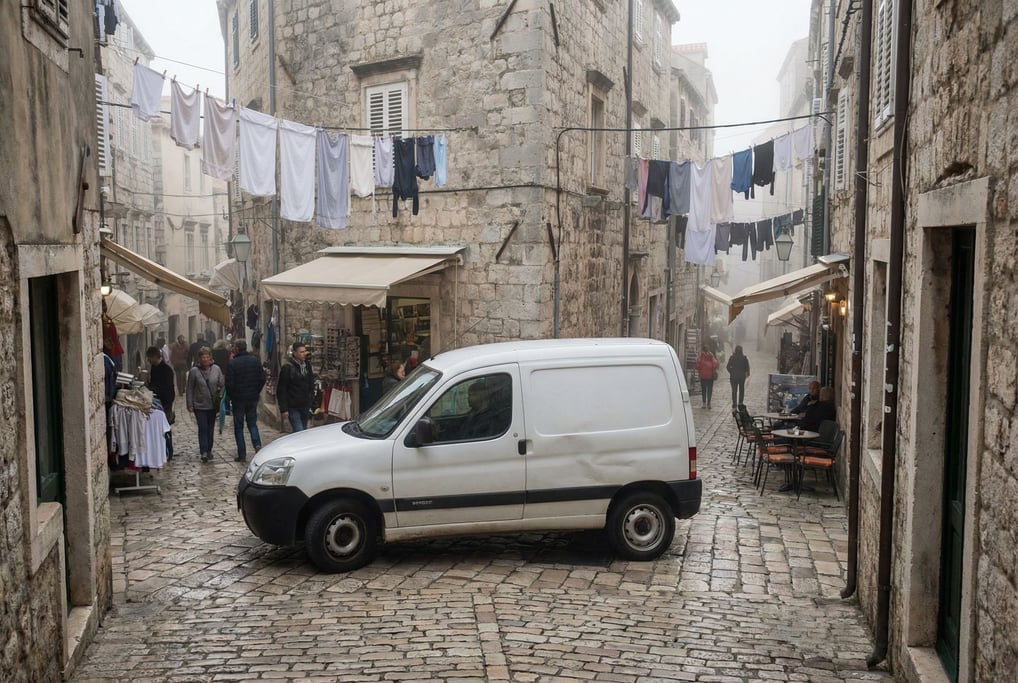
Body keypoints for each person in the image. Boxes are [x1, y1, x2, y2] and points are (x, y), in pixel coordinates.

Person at [225, 339, 265, 462]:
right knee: (252, 423)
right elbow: (262, 378)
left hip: (238, 399)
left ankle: (242, 454)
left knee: (239, 426)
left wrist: (231, 396)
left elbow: (229, 384)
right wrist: (256, 391)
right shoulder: (255, 361)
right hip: (252, 397)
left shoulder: (233, 364)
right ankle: (257, 445)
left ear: (237, 348)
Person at [186, 347, 224, 462]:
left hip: (213, 405)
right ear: (199, 358)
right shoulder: (194, 371)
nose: (205, 359)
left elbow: (222, 384)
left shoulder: (216, 369)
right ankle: (204, 451)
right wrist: (189, 403)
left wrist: (220, 397)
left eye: (207, 357)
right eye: (203, 357)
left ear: (210, 357)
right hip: (199, 405)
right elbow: (190, 388)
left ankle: (209, 449)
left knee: (210, 428)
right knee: (202, 428)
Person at [277, 342, 316, 432]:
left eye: (305, 351)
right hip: (293, 406)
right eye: (301, 352)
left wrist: (311, 399)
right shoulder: (287, 368)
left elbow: (311, 383)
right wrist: (284, 409)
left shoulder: (307, 366)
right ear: (294, 353)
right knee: (299, 430)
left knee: (303, 430)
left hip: (305, 405)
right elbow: (281, 389)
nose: (304, 354)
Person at [145, 346, 175, 460]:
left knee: (165, 427)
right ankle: (161, 450)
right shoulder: (154, 368)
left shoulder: (166, 370)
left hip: (165, 402)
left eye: (149, 358)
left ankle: (169, 451)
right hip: (156, 401)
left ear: (155, 357)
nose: (148, 360)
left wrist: (153, 389)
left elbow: (167, 388)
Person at [696, 345, 719, 409]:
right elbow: (715, 364)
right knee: (709, 390)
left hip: (703, 376)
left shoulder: (701, 356)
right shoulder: (711, 356)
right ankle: (709, 403)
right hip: (710, 376)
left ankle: (704, 403)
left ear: (703, 350)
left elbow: (698, 366)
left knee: (704, 390)